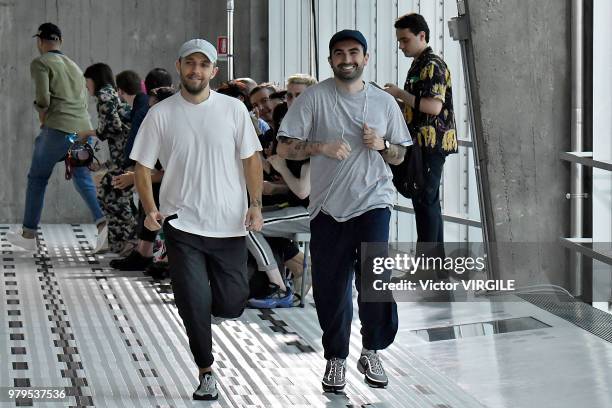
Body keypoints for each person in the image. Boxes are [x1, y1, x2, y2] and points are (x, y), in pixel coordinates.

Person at [277, 30, 411, 392]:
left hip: (374, 202)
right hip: (327, 208)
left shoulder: (384, 103)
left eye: (354, 53)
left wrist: (381, 145)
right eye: (339, 54)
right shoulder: (313, 98)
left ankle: (371, 350)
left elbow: (401, 154)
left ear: (366, 58)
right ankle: (336, 357)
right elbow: (285, 147)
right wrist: (320, 147)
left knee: (375, 278)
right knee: (332, 286)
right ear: (331, 60)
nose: (347, 59)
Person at [130, 39, 263, 401]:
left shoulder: (233, 110)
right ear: (179, 66)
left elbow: (251, 159)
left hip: (229, 225)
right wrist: (149, 208)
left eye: (204, 65)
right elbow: (142, 166)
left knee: (232, 302)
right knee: (192, 301)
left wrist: (255, 204)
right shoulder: (161, 114)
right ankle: (206, 371)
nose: (196, 70)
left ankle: (217, 308)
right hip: (181, 224)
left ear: (214, 71)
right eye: (190, 63)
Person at [7, 23, 106, 251]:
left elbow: (43, 98)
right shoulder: (75, 66)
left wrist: (41, 112)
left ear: (40, 42)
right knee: (82, 177)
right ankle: (103, 226)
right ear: (60, 41)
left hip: (58, 130)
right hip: (83, 130)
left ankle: (29, 235)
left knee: (38, 178)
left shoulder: (40, 62)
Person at [384, 13, 458, 258]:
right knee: (427, 203)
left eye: (405, 40)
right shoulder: (420, 63)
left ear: (422, 36)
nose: (401, 46)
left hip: (431, 143)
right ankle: (434, 266)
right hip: (422, 143)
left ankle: (428, 266)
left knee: (425, 203)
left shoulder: (432, 64)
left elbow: (432, 107)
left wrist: (398, 93)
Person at [81, 63, 136, 253]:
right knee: (116, 195)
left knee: (111, 193)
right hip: (124, 155)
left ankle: (129, 242)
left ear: (94, 79)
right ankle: (124, 242)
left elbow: (113, 128)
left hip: (125, 157)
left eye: (87, 81)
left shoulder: (104, 95)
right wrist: (104, 165)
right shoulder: (111, 93)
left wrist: (87, 133)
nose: (86, 85)